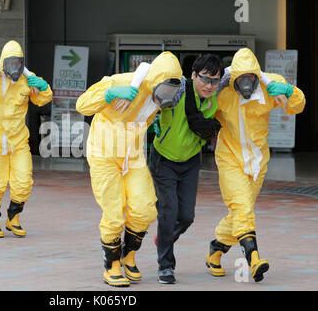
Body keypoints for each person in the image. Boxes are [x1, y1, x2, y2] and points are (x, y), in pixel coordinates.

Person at [76, 51, 183, 287]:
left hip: (132, 157)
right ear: (155, 81)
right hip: (104, 155)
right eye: (164, 90)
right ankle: (111, 264)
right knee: (113, 211)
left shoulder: (162, 94)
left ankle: (128, 255)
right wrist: (109, 94)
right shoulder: (120, 82)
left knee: (145, 208)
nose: (165, 97)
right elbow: (82, 105)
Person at [205, 48, 305, 282]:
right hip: (229, 158)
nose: (247, 84)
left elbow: (296, 106)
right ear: (235, 77)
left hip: (259, 161)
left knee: (241, 211)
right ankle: (253, 258)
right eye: (241, 79)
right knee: (242, 208)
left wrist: (290, 91)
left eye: (251, 78)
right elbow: (204, 112)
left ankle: (216, 248)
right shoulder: (223, 90)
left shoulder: (272, 86)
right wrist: (212, 94)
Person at [149, 54, 224, 284]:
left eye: (215, 80)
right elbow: (151, 91)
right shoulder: (176, 89)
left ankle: (164, 236)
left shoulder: (214, 101)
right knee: (169, 211)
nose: (210, 85)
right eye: (205, 79)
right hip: (164, 158)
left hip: (190, 160)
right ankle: (166, 266)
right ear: (193, 75)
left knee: (186, 216)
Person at [0, 40, 53, 238]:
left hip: (19, 141)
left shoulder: (27, 79)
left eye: (18, 63)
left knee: (23, 181)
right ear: (3, 62)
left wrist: (44, 86)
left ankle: (13, 217)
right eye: (10, 63)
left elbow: (42, 98)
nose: (14, 67)